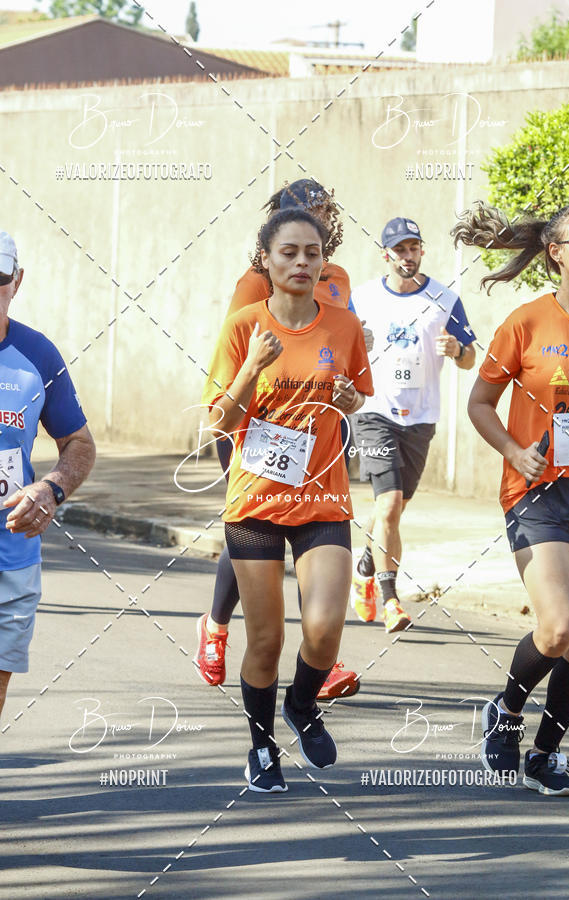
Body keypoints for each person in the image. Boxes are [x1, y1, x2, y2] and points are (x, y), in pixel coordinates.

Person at [202, 207, 373, 791]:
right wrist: (252, 365)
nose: (302, 262)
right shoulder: (243, 324)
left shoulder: (343, 327)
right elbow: (218, 423)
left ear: (324, 260)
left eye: (312, 252)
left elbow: (352, 401)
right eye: (289, 252)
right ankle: (261, 745)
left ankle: (301, 705)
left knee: (325, 629)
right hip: (255, 504)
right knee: (267, 640)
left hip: (324, 496)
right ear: (267, 260)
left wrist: (350, 402)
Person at [455, 200, 569, 796]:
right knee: (557, 628)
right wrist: (513, 450)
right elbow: (480, 403)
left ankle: (545, 755)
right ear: (556, 253)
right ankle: (505, 710)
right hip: (537, 490)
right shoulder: (526, 323)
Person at [0, 222, 95, 770]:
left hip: (10, 558)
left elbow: (79, 443)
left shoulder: (37, 356)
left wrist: (51, 490)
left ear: (15, 282)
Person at [350, 216, 476, 630]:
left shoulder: (444, 299)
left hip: (420, 418)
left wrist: (457, 349)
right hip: (373, 412)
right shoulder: (363, 298)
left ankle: (365, 567)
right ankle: (390, 601)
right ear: (385, 254)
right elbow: (338, 346)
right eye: (399, 249)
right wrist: (356, 345)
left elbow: (471, 358)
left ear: (422, 251)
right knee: (387, 504)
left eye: (413, 248)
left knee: (396, 507)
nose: (407, 256)